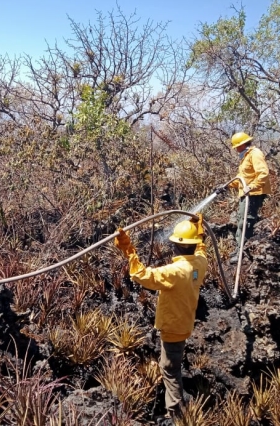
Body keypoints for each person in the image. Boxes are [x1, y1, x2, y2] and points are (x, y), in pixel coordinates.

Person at [114, 216, 208, 419]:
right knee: (171, 362)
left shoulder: (174, 272)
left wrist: (128, 249)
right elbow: (202, 249)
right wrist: (198, 230)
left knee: (170, 369)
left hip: (173, 329)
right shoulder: (200, 264)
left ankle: (176, 415)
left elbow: (142, 276)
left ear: (177, 246)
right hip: (184, 324)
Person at [216, 132, 271, 264]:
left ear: (241, 144)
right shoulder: (245, 157)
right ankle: (238, 249)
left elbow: (263, 173)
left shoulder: (255, 153)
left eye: (236, 146)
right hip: (247, 193)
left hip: (254, 194)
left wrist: (252, 187)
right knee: (241, 221)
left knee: (246, 222)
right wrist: (226, 186)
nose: (235, 149)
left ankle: (243, 253)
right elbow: (241, 179)